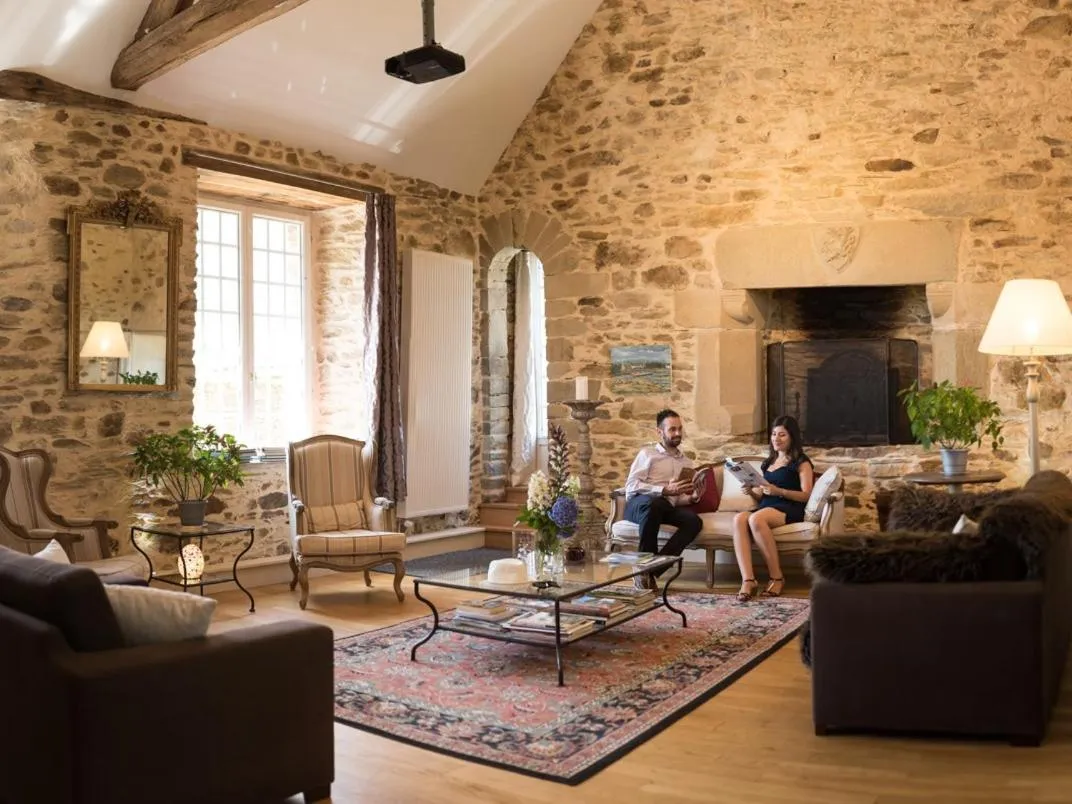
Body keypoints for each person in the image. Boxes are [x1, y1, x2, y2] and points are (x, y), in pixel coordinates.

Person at [732, 415, 814, 602]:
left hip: (790, 506)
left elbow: (806, 494)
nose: (776, 438)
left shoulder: (801, 462)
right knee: (738, 519)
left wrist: (780, 491)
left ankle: (777, 577)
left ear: (792, 437)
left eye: (782, 435)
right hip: (767, 506)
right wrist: (751, 491)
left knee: (756, 519)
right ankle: (748, 580)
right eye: (774, 434)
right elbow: (762, 494)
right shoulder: (768, 462)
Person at [623, 409, 703, 589]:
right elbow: (631, 485)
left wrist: (692, 498)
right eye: (672, 429)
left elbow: (677, 498)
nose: (677, 433)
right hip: (639, 504)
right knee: (655, 504)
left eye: (680, 429)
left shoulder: (685, 462)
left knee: (694, 522)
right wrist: (664, 490)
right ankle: (645, 570)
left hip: (664, 507)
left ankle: (650, 572)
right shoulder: (647, 454)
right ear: (659, 432)